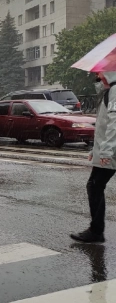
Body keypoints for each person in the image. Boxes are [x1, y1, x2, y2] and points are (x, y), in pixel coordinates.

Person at [71, 71, 116, 243]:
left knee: (95, 186)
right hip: (108, 149)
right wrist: (95, 151)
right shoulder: (108, 91)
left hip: (111, 151)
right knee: (94, 185)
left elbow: (114, 124)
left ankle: (96, 231)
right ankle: (96, 230)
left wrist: (105, 152)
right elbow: (103, 125)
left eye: (100, 73)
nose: (97, 76)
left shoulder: (114, 91)